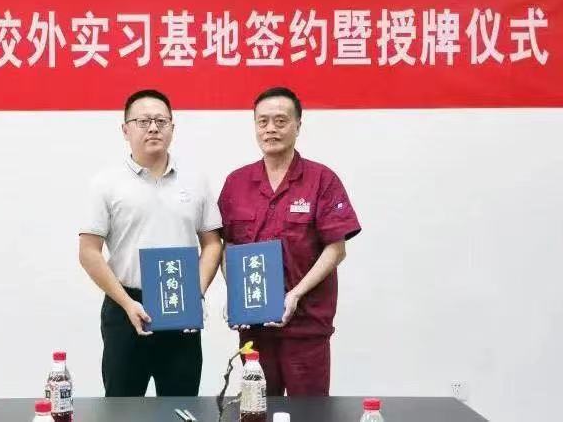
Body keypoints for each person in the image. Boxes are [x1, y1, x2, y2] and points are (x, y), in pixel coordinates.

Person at [79, 89, 223, 396]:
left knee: (181, 406)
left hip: (180, 306)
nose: (153, 128)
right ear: (125, 129)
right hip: (126, 306)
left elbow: (212, 243)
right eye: (143, 121)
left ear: (172, 127)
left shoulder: (195, 180)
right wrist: (126, 302)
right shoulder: (106, 183)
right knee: (123, 408)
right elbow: (89, 252)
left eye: (161, 121)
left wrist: (194, 292)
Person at [218, 86, 361, 396]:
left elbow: (336, 249)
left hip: (306, 325)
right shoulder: (236, 183)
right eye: (263, 121)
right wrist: (237, 295)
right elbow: (227, 247)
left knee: (309, 412)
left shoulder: (322, 179)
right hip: (254, 328)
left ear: (298, 125)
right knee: (257, 409)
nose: (271, 128)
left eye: (281, 121)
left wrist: (294, 294)